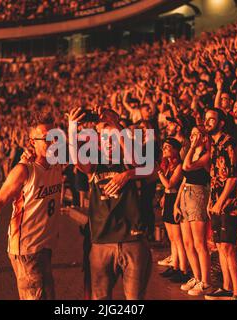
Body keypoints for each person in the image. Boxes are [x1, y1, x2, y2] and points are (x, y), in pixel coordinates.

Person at [68, 107, 152, 300]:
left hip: (132, 241)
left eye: (112, 138)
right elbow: (78, 162)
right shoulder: (96, 164)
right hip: (102, 242)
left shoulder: (130, 161)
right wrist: (72, 128)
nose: (109, 143)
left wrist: (115, 125)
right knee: (100, 299)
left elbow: (146, 166)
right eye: (104, 139)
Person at [0, 116, 63, 300]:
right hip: (27, 249)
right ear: (33, 142)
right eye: (47, 137)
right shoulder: (24, 170)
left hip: (44, 248)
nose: (54, 141)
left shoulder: (57, 163)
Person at [203, 108, 237, 300]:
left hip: (229, 204)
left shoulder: (229, 142)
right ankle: (226, 287)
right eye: (206, 119)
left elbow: (233, 176)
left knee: (228, 247)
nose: (207, 122)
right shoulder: (214, 144)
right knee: (220, 247)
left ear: (221, 123)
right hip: (216, 203)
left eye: (212, 119)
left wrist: (220, 202)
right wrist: (211, 201)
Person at [175, 127, 212, 296]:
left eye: (197, 134)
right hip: (184, 195)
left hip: (198, 194)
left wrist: (192, 147)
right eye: (192, 133)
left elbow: (188, 166)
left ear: (204, 138)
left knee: (199, 243)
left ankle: (206, 281)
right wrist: (176, 203)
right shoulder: (191, 153)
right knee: (187, 242)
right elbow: (184, 177)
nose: (192, 136)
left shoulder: (207, 154)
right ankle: (196, 277)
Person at [157, 138, 189, 284]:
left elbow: (169, 184)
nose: (165, 149)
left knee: (178, 238)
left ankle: (184, 269)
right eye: (164, 147)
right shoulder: (168, 166)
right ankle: (175, 265)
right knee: (171, 238)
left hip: (176, 199)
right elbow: (166, 188)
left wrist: (159, 174)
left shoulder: (179, 166)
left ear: (176, 150)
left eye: (168, 147)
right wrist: (163, 196)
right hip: (168, 199)